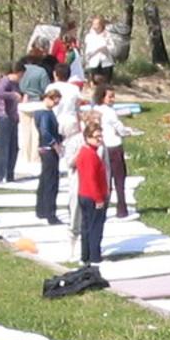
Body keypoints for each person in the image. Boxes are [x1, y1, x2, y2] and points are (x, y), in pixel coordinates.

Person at [75, 112, 110, 267]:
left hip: (84, 194)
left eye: (101, 136)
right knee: (95, 227)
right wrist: (99, 199)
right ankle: (95, 256)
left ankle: (86, 255)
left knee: (86, 226)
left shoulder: (86, 152)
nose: (100, 139)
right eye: (97, 137)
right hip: (92, 196)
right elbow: (91, 179)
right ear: (88, 137)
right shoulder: (89, 155)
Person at [95, 86, 133, 218]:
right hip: (114, 146)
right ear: (102, 97)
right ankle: (122, 208)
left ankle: (102, 208)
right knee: (119, 179)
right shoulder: (110, 112)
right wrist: (127, 132)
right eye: (110, 96)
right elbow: (119, 127)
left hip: (101, 147)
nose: (113, 99)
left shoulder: (95, 110)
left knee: (104, 179)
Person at [33, 86, 64, 224]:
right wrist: (55, 144)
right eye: (55, 102)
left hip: (43, 149)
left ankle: (40, 210)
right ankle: (50, 213)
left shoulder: (39, 112)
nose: (55, 105)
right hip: (49, 149)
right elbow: (45, 131)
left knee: (44, 179)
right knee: (51, 181)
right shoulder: (46, 113)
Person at [0, 66, 23, 183]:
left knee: (13, 147)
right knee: (3, 148)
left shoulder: (15, 84)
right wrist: (13, 95)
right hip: (4, 117)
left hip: (12, 118)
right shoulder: (5, 81)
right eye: (21, 76)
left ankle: (10, 174)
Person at [83, 15, 117, 84]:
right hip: (93, 63)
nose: (95, 26)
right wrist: (96, 51)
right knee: (95, 84)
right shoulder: (89, 36)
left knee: (106, 84)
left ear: (101, 25)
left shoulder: (107, 35)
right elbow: (87, 51)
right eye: (94, 24)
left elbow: (113, 48)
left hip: (106, 63)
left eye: (97, 24)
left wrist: (106, 48)